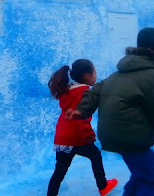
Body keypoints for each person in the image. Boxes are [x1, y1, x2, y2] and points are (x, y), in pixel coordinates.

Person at [67, 28, 154, 196]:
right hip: (131, 136)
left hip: (112, 134)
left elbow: (95, 91)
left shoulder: (117, 74)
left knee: (143, 170)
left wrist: (81, 110)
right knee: (150, 180)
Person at [46, 59, 119, 196]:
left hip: (61, 137)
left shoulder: (66, 90)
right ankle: (103, 186)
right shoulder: (85, 92)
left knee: (59, 170)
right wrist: (88, 135)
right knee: (95, 155)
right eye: (94, 72)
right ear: (87, 76)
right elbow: (82, 118)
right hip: (76, 136)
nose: (96, 76)